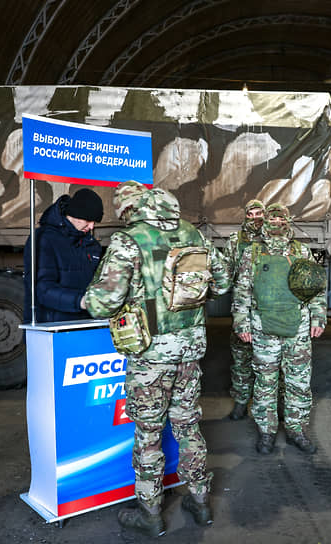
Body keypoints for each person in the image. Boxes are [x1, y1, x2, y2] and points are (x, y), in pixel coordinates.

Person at [82, 182, 230, 537]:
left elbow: (102, 304)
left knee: (149, 433)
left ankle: (150, 512)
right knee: (188, 426)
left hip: (151, 356)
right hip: (190, 349)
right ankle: (200, 502)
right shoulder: (192, 233)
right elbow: (223, 282)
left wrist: (88, 299)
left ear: (137, 208)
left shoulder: (129, 240)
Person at [232, 203, 326, 455]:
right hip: (263, 328)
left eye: (280, 220)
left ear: (288, 221)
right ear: (266, 224)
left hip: (298, 328)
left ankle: (296, 429)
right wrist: (242, 322)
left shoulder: (301, 251)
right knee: (265, 382)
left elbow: (315, 288)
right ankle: (267, 432)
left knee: (298, 381)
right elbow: (242, 291)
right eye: (271, 221)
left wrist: (318, 317)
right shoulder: (252, 253)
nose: (275, 225)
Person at [23, 188, 103, 323]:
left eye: (95, 222)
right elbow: (43, 291)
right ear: (75, 214)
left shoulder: (92, 245)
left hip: (86, 327)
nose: (92, 227)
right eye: (88, 220)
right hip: (52, 329)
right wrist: (82, 301)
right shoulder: (44, 238)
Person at [224, 199, 265, 420]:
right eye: (252, 214)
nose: (256, 218)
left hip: (267, 310)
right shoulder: (234, 241)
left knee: (269, 362)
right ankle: (240, 402)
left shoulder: (274, 240)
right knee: (241, 359)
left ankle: (267, 406)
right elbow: (226, 272)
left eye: (260, 213)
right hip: (243, 307)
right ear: (245, 216)